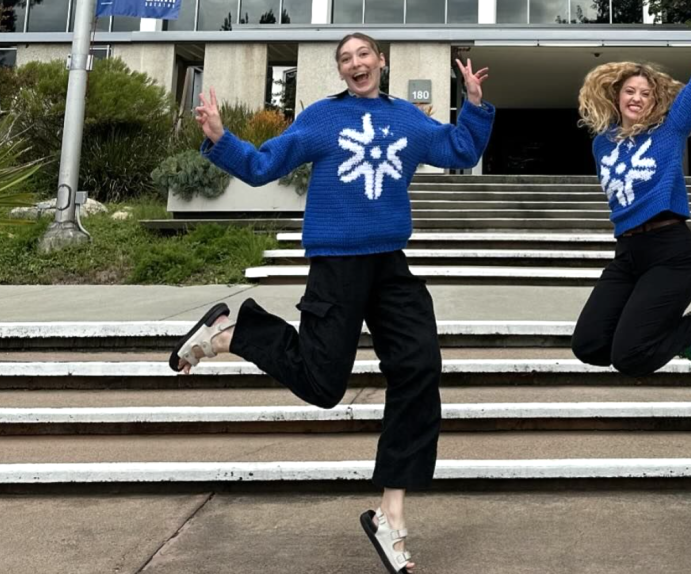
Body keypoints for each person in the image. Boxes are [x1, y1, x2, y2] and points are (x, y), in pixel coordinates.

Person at [168, 33, 494, 574]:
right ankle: (233, 332)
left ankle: (390, 515)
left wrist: (475, 107)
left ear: (380, 62)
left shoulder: (409, 121)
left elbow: (460, 149)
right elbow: (260, 166)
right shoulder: (321, 119)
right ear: (340, 71)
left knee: (420, 367)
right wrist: (222, 139)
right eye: (345, 59)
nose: (356, 63)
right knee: (323, 386)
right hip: (336, 265)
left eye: (363, 54)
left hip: (390, 264)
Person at [572, 11, 691, 381]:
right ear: (617, 95)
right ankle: (680, 339)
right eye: (630, 91)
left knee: (631, 358)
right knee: (589, 345)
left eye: (645, 93)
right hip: (626, 255)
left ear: (654, 100)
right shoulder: (601, 145)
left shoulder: (669, 131)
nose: (637, 98)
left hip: (670, 253)